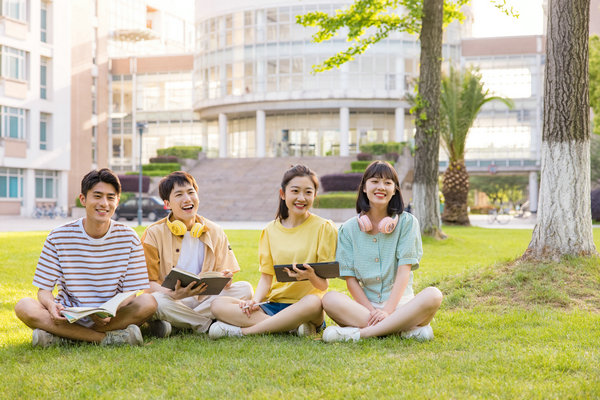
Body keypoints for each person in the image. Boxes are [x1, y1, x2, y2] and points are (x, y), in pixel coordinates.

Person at [14, 169, 157, 347]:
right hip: (68, 314)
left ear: (117, 201)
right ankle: (106, 339)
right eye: (97, 196)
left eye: (110, 197)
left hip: (112, 317)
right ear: (83, 199)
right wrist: (51, 306)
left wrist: (108, 312)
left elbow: (130, 294)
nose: (104, 203)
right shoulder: (58, 237)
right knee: (24, 306)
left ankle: (62, 337)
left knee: (148, 302)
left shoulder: (129, 237)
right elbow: (44, 291)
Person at [208, 165, 337, 338]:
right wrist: (255, 301)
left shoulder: (324, 228)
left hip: (307, 307)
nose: (301, 197)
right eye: (295, 191)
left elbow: (323, 285)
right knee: (217, 304)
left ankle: (244, 332)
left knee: (314, 302)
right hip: (274, 306)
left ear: (314, 195)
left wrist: (311, 275)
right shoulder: (270, 230)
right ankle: (290, 327)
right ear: (283, 194)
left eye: (308, 192)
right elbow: (266, 278)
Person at [321, 161, 443, 342]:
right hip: (366, 309)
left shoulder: (408, 223)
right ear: (364, 188)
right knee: (329, 299)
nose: (381, 187)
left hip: (402, 305)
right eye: (375, 181)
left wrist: (387, 311)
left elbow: (404, 271)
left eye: (388, 183)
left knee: (434, 295)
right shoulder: (348, 230)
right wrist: (373, 312)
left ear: (395, 189)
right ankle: (405, 330)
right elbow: (351, 280)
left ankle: (360, 334)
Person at [141, 171, 253, 337]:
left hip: (206, 299)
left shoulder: (215, 231)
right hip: (172, 299)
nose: (187, 199)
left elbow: (226, 275)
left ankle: (179, 323)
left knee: (245, 289)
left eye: (191, 192)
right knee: (155, 302)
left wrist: (226, 278)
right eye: (179, 195)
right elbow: (147, 283)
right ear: (167, 204)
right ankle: (209, 325)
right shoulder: (153, 233)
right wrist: (172, 293)